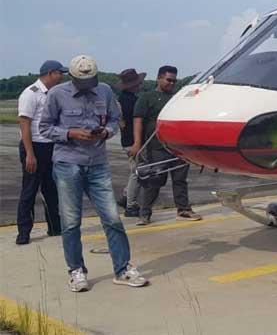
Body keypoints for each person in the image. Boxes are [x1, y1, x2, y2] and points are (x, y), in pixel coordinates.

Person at [40, 55, 148, 292]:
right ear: (73, 78)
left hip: (97, 165)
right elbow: (45, 128)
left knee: (112, 218)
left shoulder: (105, 91)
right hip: (68, 164)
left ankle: (122, 269)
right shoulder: (58, 94)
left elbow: (114, 121)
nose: (89, 87)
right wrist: (71, 134)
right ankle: (76, 271)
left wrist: (105, 133)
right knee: (70, 222)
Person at [130, 65, 201, 225]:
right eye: (168, 80)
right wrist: (137, 143)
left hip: (178, 147)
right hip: (156, 146)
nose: (171, 83)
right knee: (154, 180)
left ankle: (183, 209)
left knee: (180, 180)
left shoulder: (177, 98)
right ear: (159, 78)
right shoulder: (147, 97)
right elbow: (138, 120)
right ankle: (145, 213)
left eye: (174, 81)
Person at [15, 60, 67, 245]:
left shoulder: (53, 94)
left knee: (51, 189)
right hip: (34, 146)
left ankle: (55, 227)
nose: (61, 77)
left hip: (50, 146)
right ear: (50, 73)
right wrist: (30, 153)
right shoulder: (31, 94)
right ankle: (23, 232)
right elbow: (25, 124)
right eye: (60, 73)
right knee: (30, 190)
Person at [115, 68, 146, 217]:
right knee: (138, 173)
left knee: (134, 170)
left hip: (126, 140)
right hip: (134, 142)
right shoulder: (133, 101)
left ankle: (127, 196)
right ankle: (131, 205)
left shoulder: (122, 99)